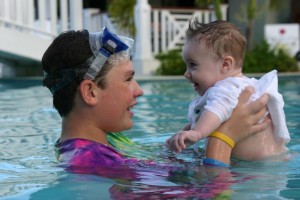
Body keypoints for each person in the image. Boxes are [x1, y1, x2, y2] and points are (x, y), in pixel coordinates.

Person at [42, 27, 270, 169]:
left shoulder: (107, 140)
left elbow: (155, 164)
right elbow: (211, 195)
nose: (139, 90)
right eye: (128, 79)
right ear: (91, 92)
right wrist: (224, 137)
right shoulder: (89, 164)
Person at [166, 19, 290, 161]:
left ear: (225, 64)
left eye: (193, 65)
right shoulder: (244, 87)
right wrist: (185, 132)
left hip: (252, 170)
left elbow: (216, 111)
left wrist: (197, 133)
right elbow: (208, 117)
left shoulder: (224, 89)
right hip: (276, 158)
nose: (186, 74)